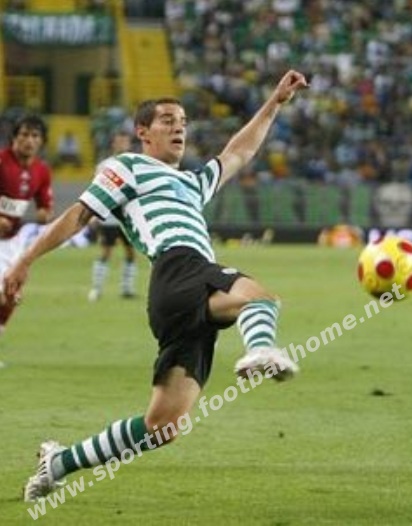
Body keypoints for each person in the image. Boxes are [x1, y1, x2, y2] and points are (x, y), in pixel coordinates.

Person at [3, 69, 308, 502]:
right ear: (142, 132)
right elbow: (79, 214)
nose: (179, 127)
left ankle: (59, 463)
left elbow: (238, 152)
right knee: (259, 298)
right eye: (167, 120)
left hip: (177, 296)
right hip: (178, 267)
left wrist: (274, 103)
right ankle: (259, 350)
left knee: (163, 425)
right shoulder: (126, 167)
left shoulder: (193, 182)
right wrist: (25, 260)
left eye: (182, 121)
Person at [0, 114, 53, 344]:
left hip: (12, 241)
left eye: (35, 136)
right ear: (14, 137)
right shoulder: (2, 161)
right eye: (24, 134)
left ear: (42, 141)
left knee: (12, 294)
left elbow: (44, 205)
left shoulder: (41, 170)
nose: (29, 140)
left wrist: (44, 213)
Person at [88, 131, 137, 301]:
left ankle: (127, 289)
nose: (122, 144)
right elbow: (96, 191)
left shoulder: (135, 164)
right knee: (106, 251)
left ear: (129, 144)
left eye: (125, 141)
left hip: (128, 217)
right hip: (109, 217)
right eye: (119, 141)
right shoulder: (104, 166)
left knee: (131, 252)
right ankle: (96, 289)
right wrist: (94, 214)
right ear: (113, 144)